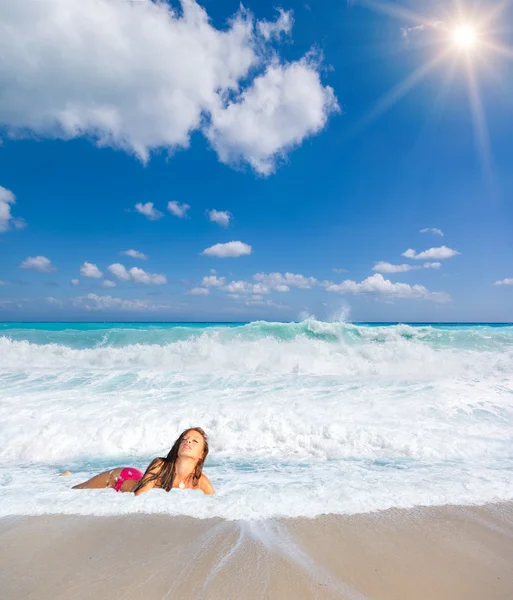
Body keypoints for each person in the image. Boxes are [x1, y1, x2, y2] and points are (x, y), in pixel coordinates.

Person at [69, 427, 215, 495]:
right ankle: (67, 475)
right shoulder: (160, 465)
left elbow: (216, 509)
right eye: (184, 439)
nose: (188, 441)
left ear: (201, 454)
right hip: (118, 479)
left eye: (195, 441)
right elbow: (139, 496)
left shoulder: (201, 482)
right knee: (76, 492)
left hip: (135, 478)